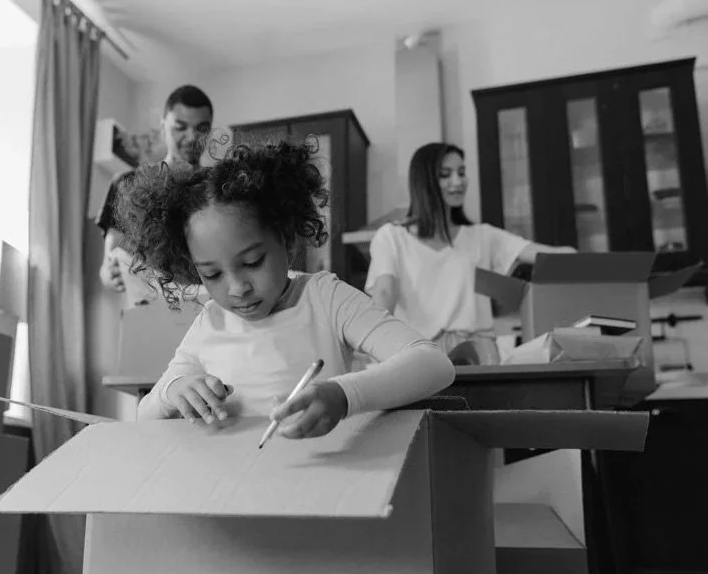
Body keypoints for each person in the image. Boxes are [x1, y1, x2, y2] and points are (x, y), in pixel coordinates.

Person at [117, 139, 455, 439]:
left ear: (287, 239)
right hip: (233, 493)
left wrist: (342, 396)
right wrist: (175, 389)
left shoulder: (325, 298)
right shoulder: (209, 321)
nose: (237, 289)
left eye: (252, 262)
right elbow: (144, 413)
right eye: (212, 274)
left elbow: (433, 365)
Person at [365, 142, 576, 362]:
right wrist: (375, 349)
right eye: (445, 175)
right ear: (424, 181)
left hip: (480, 356)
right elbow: (384, 293)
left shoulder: (482, 236)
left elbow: (547, 255)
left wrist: (580, 259)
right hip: (420, 357)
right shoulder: (392, 236)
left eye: (462, 172)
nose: (458, 181)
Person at [96, 85, 214, 295]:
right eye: (180, 127)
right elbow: (110, 261)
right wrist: (109, 273)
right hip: (149, 308)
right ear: (163, 127)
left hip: (210, 305)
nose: (191, 137)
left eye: (201, 128)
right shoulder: (128, 184)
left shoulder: (220, 186)